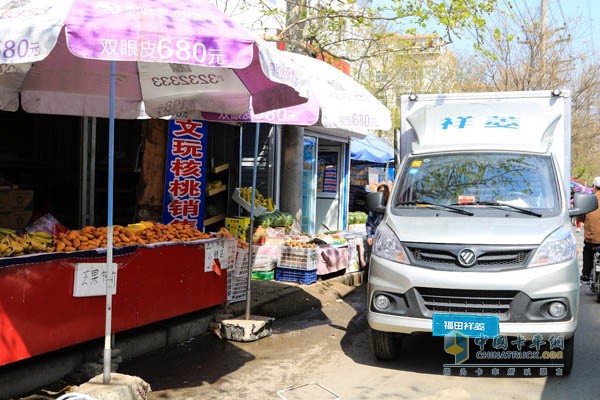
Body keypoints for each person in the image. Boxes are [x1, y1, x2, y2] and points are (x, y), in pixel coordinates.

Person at [578, 177, 600, 282]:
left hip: (592, 239)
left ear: (594, 187)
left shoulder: (589, 200)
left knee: (587, 250)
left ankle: (586, 275)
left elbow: (581, 217)